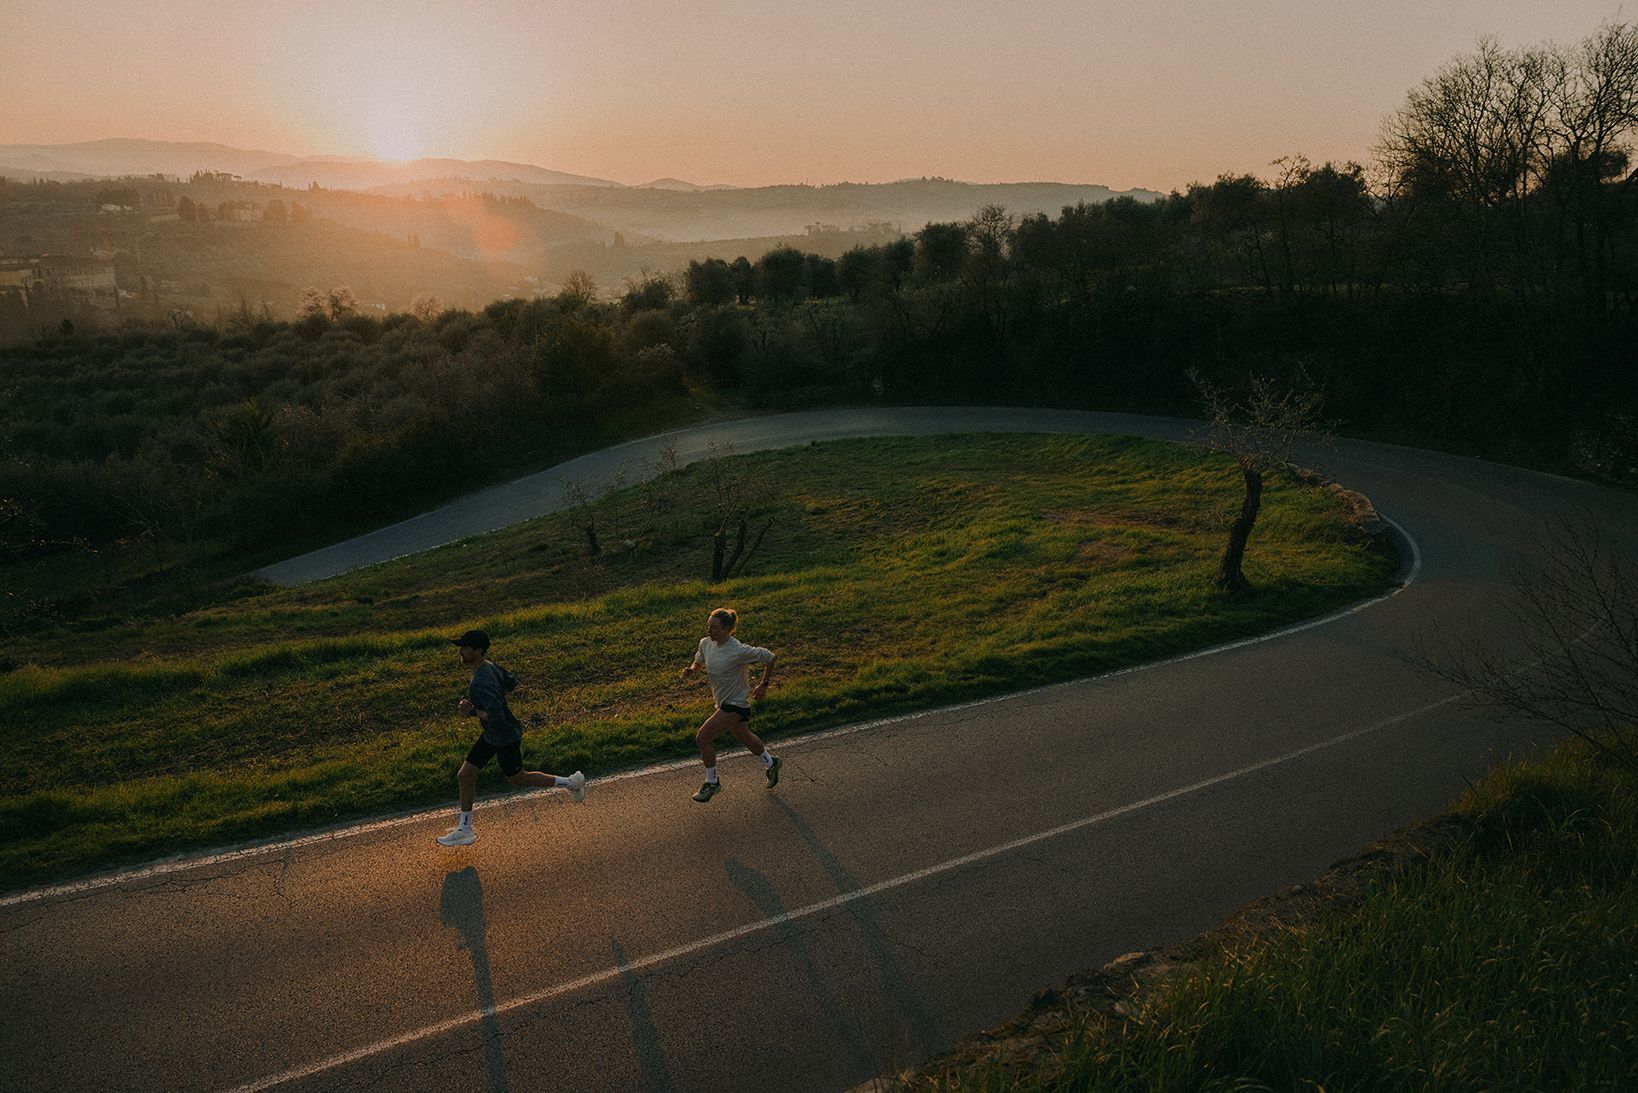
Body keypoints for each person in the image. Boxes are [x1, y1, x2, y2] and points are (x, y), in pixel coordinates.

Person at [437, 629, 585, 846]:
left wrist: (471, 711)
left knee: (519, 779)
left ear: (478, 651)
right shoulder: (489, 666)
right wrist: (497, 697)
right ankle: (465, 829)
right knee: (465, 776)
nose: (460, 651)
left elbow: (495, 716)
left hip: (504, 737)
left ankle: (572, 783)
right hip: (493, 735)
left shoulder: (481, 680)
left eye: (465, 647)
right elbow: (513, 684)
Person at [679, 607, 780, 802]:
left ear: (727, 629)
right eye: (708, 626)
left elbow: (771, 657)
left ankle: (712, 782)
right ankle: (771, 763)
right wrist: (692, 670)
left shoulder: (738, 650)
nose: (710, 631)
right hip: (723, 702)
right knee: (744, 736)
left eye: (715, 628)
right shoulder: (706, 643)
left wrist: (763, 685)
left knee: (703, 737)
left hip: (737, 704)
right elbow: (698, 661)